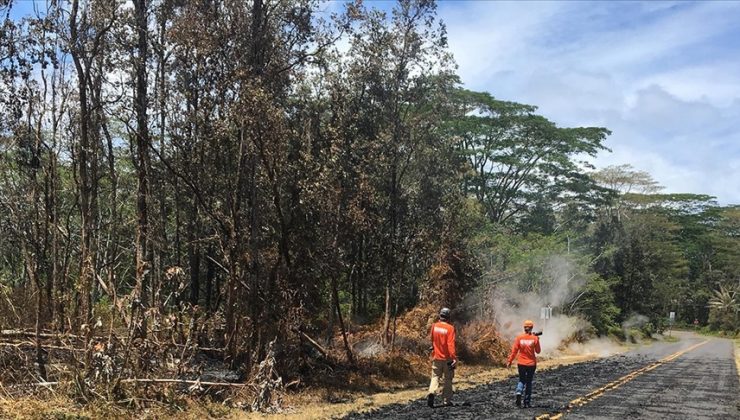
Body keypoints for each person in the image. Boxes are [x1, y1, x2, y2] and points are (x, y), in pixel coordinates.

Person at [506, 319, 541, 408]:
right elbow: (538, 351)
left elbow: (514, 351)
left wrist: (509, 361)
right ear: (532, 328)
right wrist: (537, 340)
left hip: (521, 363)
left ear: (524, 328)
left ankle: (518, 392)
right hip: (531, 364)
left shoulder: (519, 338)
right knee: (529, 382)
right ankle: (527, 402)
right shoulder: (534, 338)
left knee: (521, 380)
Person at [427, 307, 457, 408]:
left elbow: (431, 340)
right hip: (447, 358)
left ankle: (431, 392)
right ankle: (446, 401)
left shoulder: (434, 326)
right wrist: (454, 358)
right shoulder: (450, 328)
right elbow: (450, 345)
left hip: (436, 357)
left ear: (440, 316)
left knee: (435, 376)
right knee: (448, 379)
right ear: (448, 317)